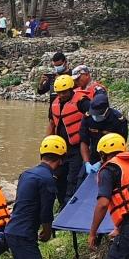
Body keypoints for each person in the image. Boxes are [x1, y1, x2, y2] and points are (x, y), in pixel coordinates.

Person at [47, 74, 90, 206]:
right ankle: (61, 204)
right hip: (60, 150)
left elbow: (94, 117)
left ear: (71, 89)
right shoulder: (54, 103)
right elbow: (51, 124)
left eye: (64, 92)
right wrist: (47, 145)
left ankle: (69, 207)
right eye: (59, 92)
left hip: (77, 148)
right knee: (58, 178)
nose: (61, 95)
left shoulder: (82, 101)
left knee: (72, 179)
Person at [81, 93, 128, 169]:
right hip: (93, 154)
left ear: (106, 110)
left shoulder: (118, 120)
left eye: (98, 114)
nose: (95, 117)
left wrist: (102, 162)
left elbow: (120, 147)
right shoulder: (88, 118)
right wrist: (87, 163)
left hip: (112, 157)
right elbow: (84, 141)